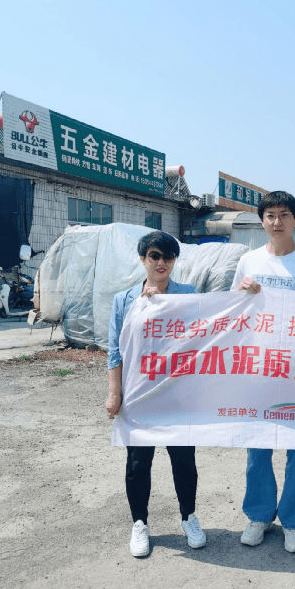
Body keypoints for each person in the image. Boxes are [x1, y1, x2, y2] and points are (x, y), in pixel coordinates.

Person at [231, 191, 295, 553]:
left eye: (284, 215)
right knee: (257, 446)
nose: (276, 221)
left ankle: (292, 520)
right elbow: (231, 312)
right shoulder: (249, 261)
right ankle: (259, 515)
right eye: (270, 215)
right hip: (256, 368)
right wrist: (242, 293)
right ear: (262, 221)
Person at [106, 231, 206, 557]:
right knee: (138, 462)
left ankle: (189, 517)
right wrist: (115, 393)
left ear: (174, 261)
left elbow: (208, 329)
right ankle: (140, 523)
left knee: (184, 461)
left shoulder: (187, 294)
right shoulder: (125, 300)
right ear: (143, 259)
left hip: (178, 393)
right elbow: (115, 350)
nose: (161, 263)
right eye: (154, 256)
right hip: (140, 394)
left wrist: (245, 295)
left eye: (168, 257)